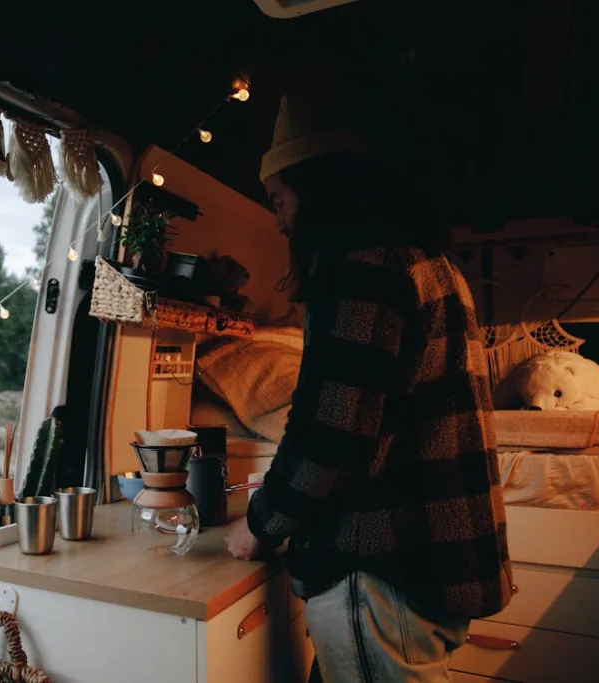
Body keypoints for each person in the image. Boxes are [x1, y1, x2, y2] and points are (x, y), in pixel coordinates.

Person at [224, 82, 514, 682]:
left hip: (380, 569)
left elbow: (330, 434)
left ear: (315, 188)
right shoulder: (429, 263)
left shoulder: (361, 270)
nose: (278, 221)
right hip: (432, 565)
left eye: (279, 199)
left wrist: (260, 522)